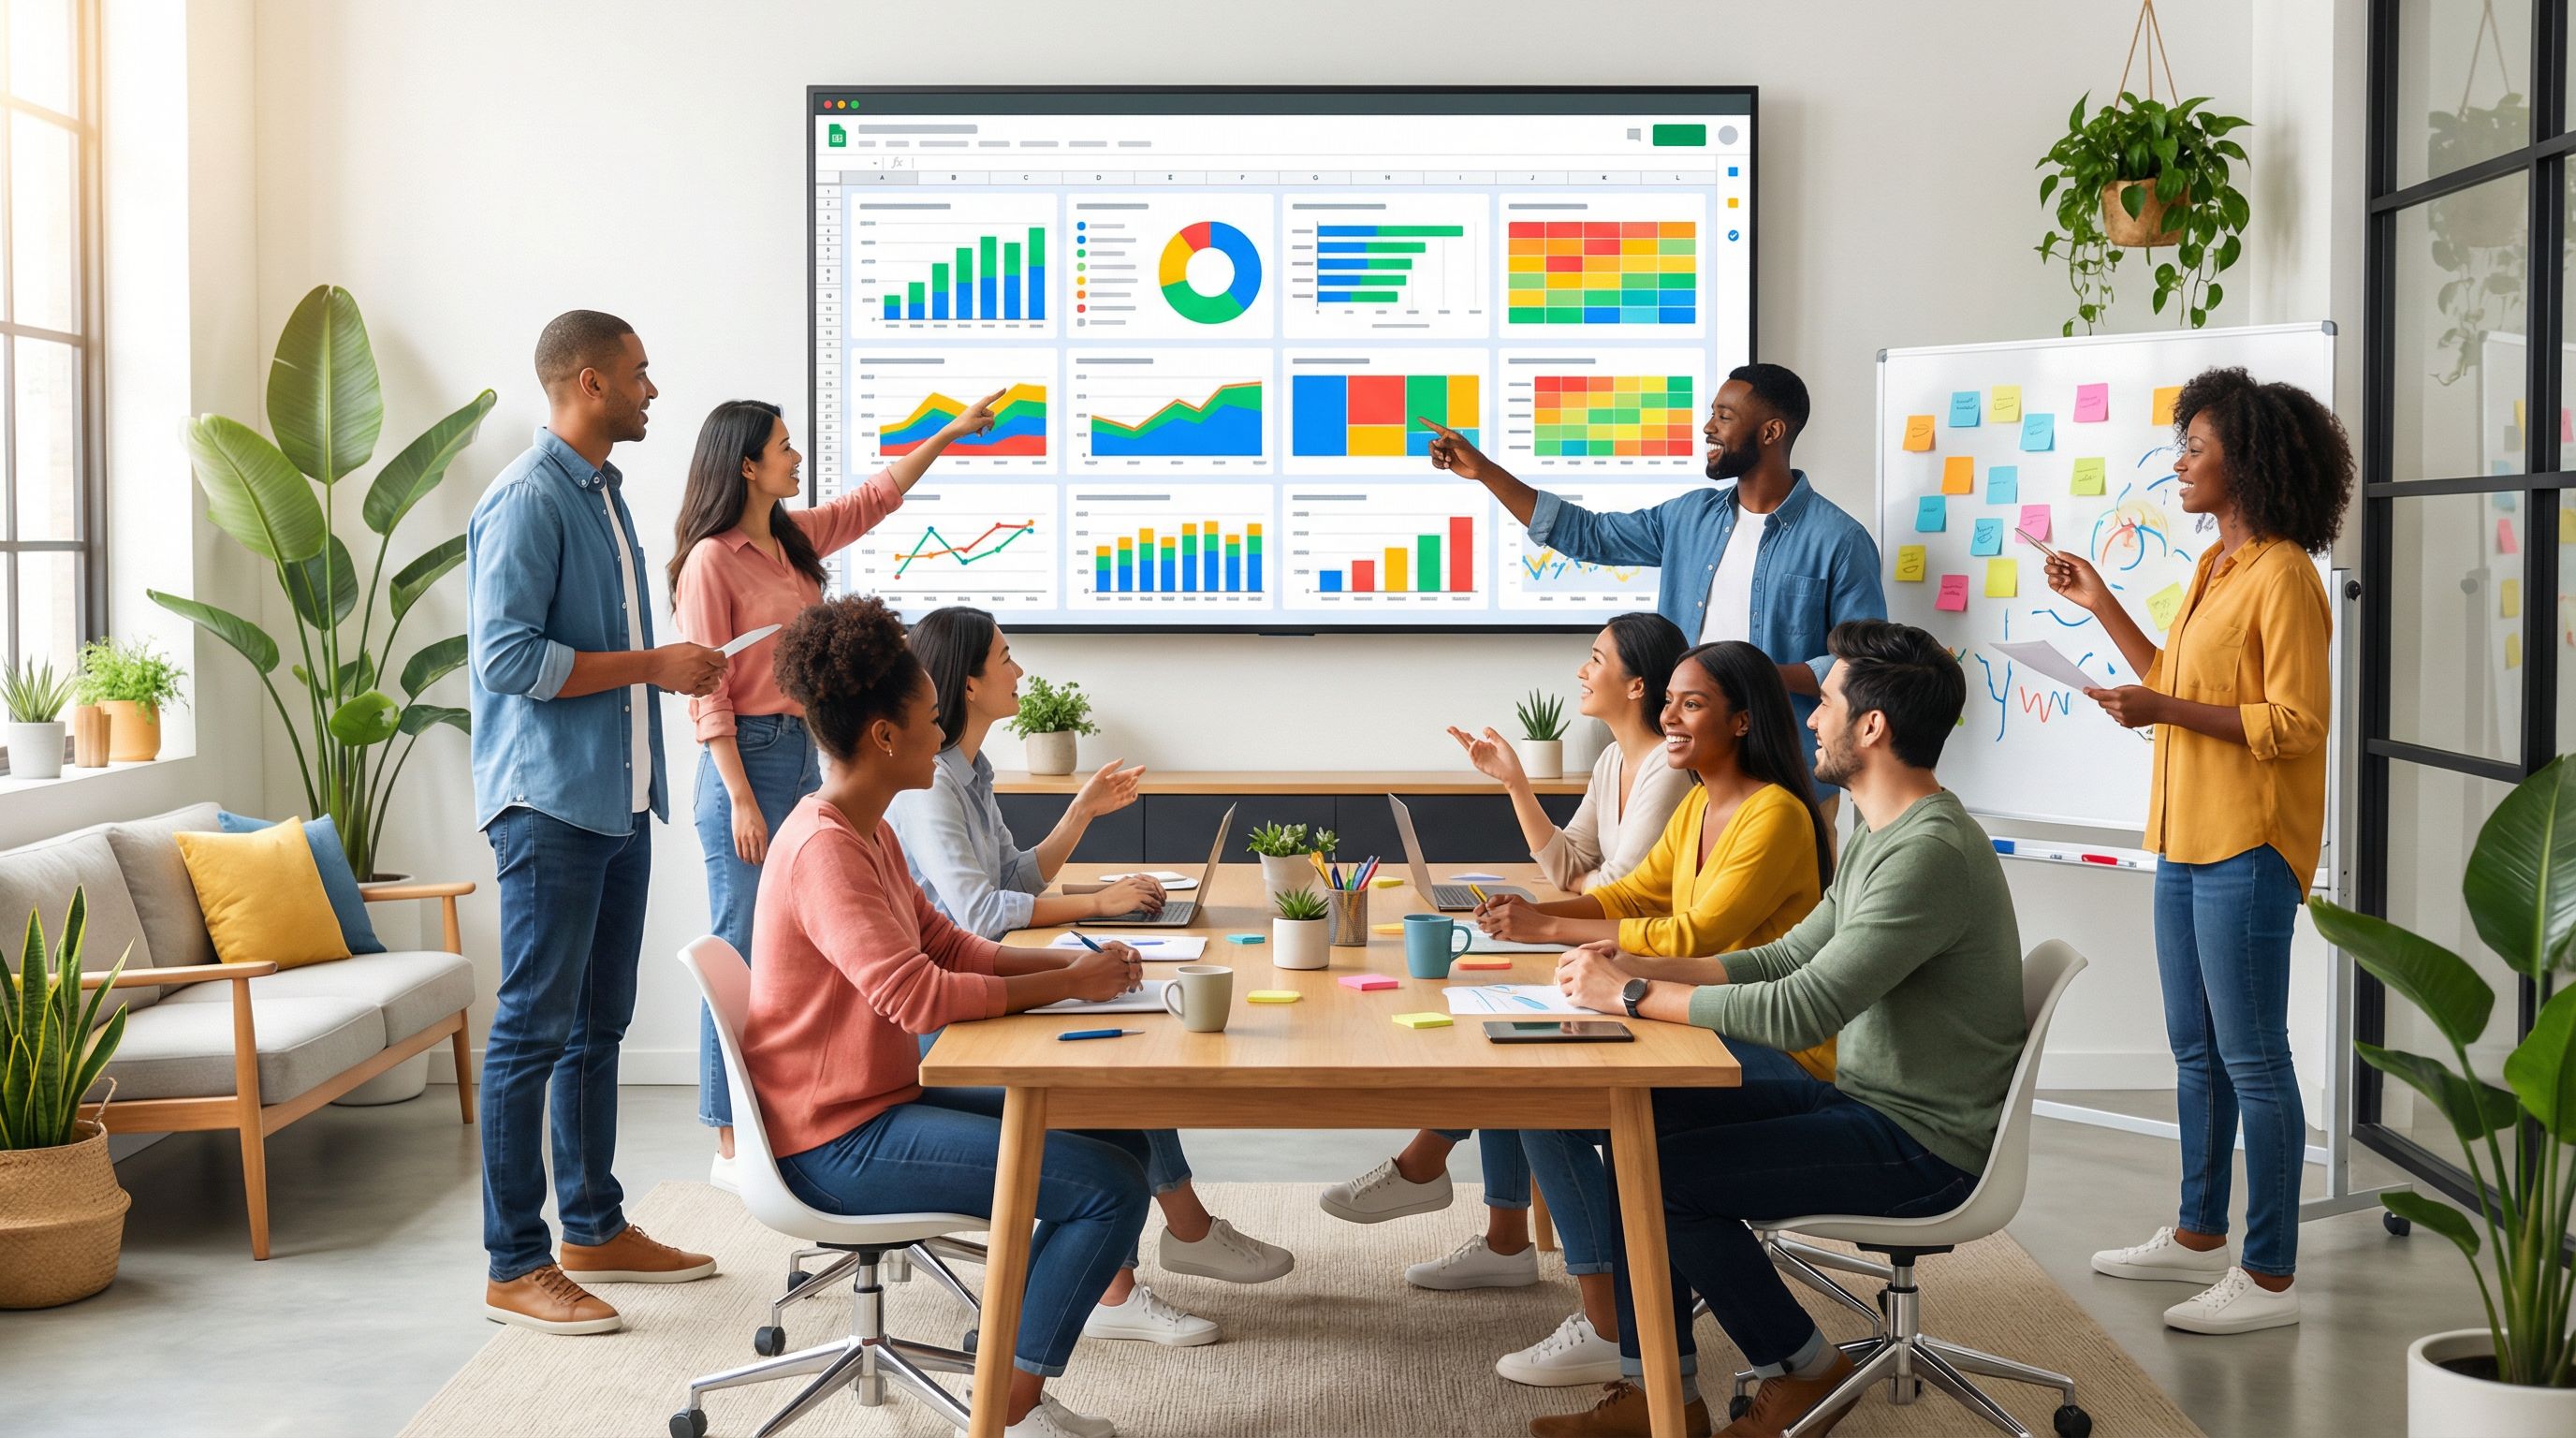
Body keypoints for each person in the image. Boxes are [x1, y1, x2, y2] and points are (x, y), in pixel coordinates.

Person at [1531, 621, 2027, 1438]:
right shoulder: (1875, 824)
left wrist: (1632, 998)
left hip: (1925, 1143)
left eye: (1826, 702)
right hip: (1866, 1102)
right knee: (1632, 1132)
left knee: (1663, 1177)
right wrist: (1635, 973)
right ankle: (1660, 1393)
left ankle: (1803, 1371)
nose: (1810, 719)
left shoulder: (1928, 854)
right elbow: (1787, 954)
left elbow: (1804, 1008)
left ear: (1873, 727)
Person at [743, 594, 1152, 1438]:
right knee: (1107, 1189)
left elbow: (955, 945)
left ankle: (1020, 1355)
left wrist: (1074, 974)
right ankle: (1002, 1416)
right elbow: (918, 994)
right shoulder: (826, 849)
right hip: (835, 1141)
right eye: (931, 720)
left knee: (1119, 1132)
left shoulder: (869, 828)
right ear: (884, 735)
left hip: (880, 1101)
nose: (943, 736)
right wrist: (1068, 981)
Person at [892, 605, 1295, 1345]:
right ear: (969, 681)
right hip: (944, 1025)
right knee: (1105, 1063)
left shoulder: (969, 771)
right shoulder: (929, 785)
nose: (1020, 671)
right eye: (1006, 658)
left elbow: (1011, 875)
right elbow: (981, 914)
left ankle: (1175, 1236)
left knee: (1127, 1037)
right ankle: (1126, 1284)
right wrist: (1097, 902)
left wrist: (1079, 815)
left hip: (983, 983)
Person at [2047, 367, 2349, 1337]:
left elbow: (2297, 724)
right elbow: (2168, 678)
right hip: (2182, 837)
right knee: (2195, 1051)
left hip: (2249, 845)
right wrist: (2100, 605)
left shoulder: (2286, 575)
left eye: (2194, 447)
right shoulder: (2215, 569)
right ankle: (2194, 1233)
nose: (2178, 462)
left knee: (2252, 1057)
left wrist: (2164, 707)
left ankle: (2268, 1278)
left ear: (2246, 459)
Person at [1313, 617, 1695, 1317]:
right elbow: (1573, 865)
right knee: (1494, 1011)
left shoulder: (1669, 774)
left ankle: (1432, 1171)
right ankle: (1499, 1235)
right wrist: (1516, 784)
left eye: (1595, 658)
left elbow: (1615, 888)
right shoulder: (1614, 762)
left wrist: (1543, 917)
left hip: (1638, 964)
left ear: (1636, 684)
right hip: (1601, 943)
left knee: (1515, 1049)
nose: (1582, 671)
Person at [668, 392, 1003, 1190]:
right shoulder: (714, 559)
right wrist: (741, 795)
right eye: (784, 446)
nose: (795, 456)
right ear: (747, 463)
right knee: (742, 943)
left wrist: (948, 436)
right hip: (743, 757)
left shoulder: (790, 542)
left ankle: (836, 1093)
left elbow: (873, 501)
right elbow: (706, 687)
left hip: (802, 751)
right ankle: (734, 1130)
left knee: (817, 935)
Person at [467, 310, 725, 1334]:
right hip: (547, 807)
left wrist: (662, 672)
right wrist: (657, 668)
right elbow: (506, 660)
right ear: (589, 382)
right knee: (531, 1033)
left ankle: (592, 1225)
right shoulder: (528, 500)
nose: (652, 390)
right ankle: (512, 1264)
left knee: (595, 1027)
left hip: (614, 803)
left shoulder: (604, 494)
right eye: (639, 374)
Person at [1425, 362, 1882, 828]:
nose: (1708, 427)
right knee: (1674, 898)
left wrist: (1761, 673)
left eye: (1724, 416)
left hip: (1788, 774)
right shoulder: (1688, 518)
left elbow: (1863, 663)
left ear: (1771, 431)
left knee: (1793, 903)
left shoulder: (1840, 540)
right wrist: (1486, 472)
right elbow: (1590, 534)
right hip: (1688, 771)